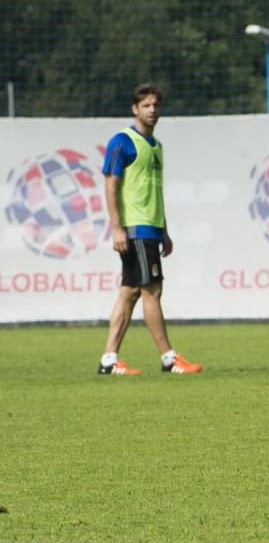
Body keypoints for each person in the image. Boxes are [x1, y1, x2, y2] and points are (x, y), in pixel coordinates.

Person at [98, 83, 202, 376]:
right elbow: (110, 184)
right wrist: (117, 227)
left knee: (130, 292)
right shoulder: (123, 141)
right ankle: (169, 358)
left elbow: (154, 192)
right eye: (146, 105)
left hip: (151, 229)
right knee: (152, 291)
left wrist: (164, 230)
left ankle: (109, 359)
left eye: (156, 105)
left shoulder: (157, 146)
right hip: (135, 229)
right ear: (135, 109)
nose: (152, 110)